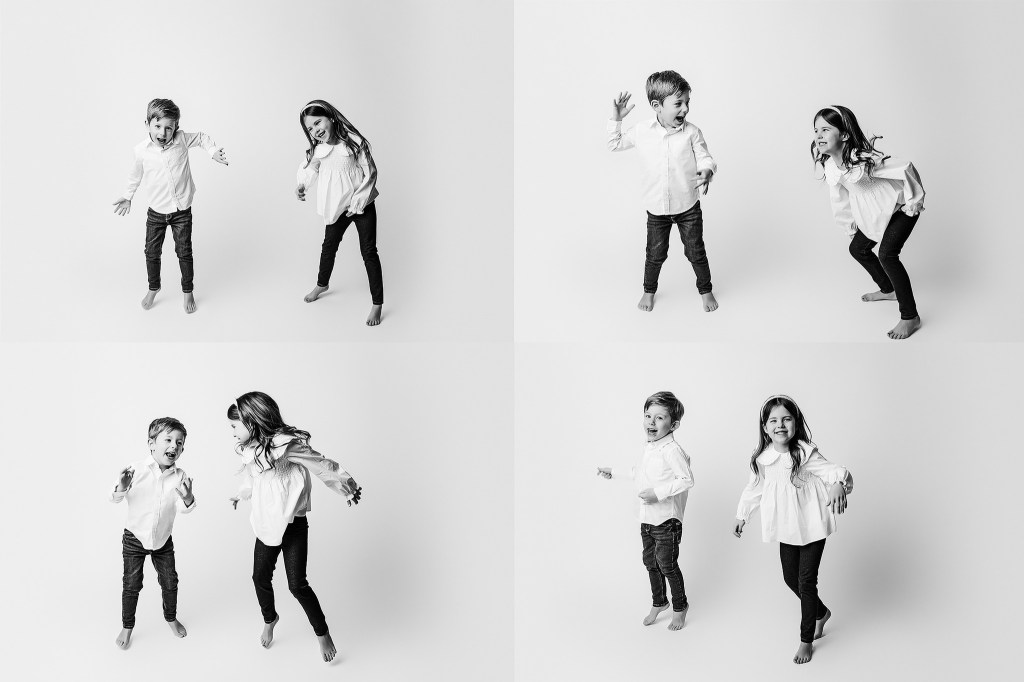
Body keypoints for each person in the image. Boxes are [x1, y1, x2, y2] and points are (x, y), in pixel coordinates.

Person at [228, 391, 362, 662]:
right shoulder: (251, 449)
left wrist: (346, 487)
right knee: (259, 577)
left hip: (293, 524)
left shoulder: (285, 445)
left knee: (297, 584)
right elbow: (254, 478)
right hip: (266, 523)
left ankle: (322, 633)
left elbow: (321, 464)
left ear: (252, 422)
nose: (231, 431)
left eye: (235, 425)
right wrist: (241, 494)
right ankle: (270, 617)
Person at [733, 395, 853, 664]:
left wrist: (838, 484)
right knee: (791, 579)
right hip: (787, 527)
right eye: (773, 420)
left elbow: (837, 471)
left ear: (795, 423)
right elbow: (755, 488)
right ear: (765, 427)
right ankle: (821, 613)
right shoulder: (762, 458)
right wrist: (742, 515)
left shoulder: (804, 452)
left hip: (812, 524)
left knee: (806, 582)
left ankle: (805, 639)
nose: (780, 425)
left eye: (786, 418)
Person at [608, 71, 719, 313]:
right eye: (678, 103)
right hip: (656, 210)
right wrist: (616, 119)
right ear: (657, 106)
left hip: (688, 207)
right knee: (655, 254)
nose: (685, 109)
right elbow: (614, 144)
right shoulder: (641, 131)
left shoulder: (692, 132)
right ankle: (649, 291)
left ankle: (706, 289)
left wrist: (707, 170)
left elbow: (705, 157)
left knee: (695, 251)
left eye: (687, 102)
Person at [813, 105, 925, 339]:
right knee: (857, 248)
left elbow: (906, 168)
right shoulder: (831, 165)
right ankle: (889, 289)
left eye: (825, 129)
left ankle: (910, 316)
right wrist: (850, 227)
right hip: (874, 212)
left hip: (901, 207)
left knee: (887, 255)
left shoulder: (863, 159)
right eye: (816, 131)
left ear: (844, 135)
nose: (819, 135)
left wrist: (913, 202)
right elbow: (839, 199)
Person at [112, 98, 229, 313]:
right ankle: (153, 287)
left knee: (184, 252)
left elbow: (202, 138)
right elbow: (134, 176)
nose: (163, 133)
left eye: (169, 128)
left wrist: (213, 152)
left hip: (181, 211)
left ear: (176, 128)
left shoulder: (182, 140)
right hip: (156, 212)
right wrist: (128, 196)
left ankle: (188, 291)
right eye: (157, 126)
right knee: (151, 252)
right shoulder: (141, 151)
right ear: (147, 124)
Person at [598, 391, 694, 630]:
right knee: (650, 562)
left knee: (667, 564)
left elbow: (686, 479)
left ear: (674, 424)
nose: (651, 422)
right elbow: (639, 473)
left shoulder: (672, 450)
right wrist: (614, 472)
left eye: (659, 418)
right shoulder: (650, 447)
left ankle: (680, 606)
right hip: (647, 519)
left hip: (666, 521)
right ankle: (659, 602)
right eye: (648, 416)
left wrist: (658, 492)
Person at [110, 417, 196, 649]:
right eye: (168, 440)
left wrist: (188, 498)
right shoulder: (136, 469)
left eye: (179, 443)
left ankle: (171, 617)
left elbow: (182, 508)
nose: (173, 446)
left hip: (162, 540)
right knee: (131, 584)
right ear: (151, 443)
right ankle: (127, 626)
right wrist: (121, 486)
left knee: (170, 581)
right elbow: (115, 498)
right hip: (134, 537)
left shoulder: (180, 476)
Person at [296, 100, 384, 326]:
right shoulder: (318, 150)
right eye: (311, 128)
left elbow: (370, 172)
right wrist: (302, 185)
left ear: (331, 118)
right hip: (338, 206)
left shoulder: (355, 143)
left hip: (361, 204)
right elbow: (309, 170)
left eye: (318, 122)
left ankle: (377, 303)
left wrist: (360, 200)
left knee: (369, 251)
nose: (316, 130)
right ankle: (322, 284)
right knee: (328, 246)